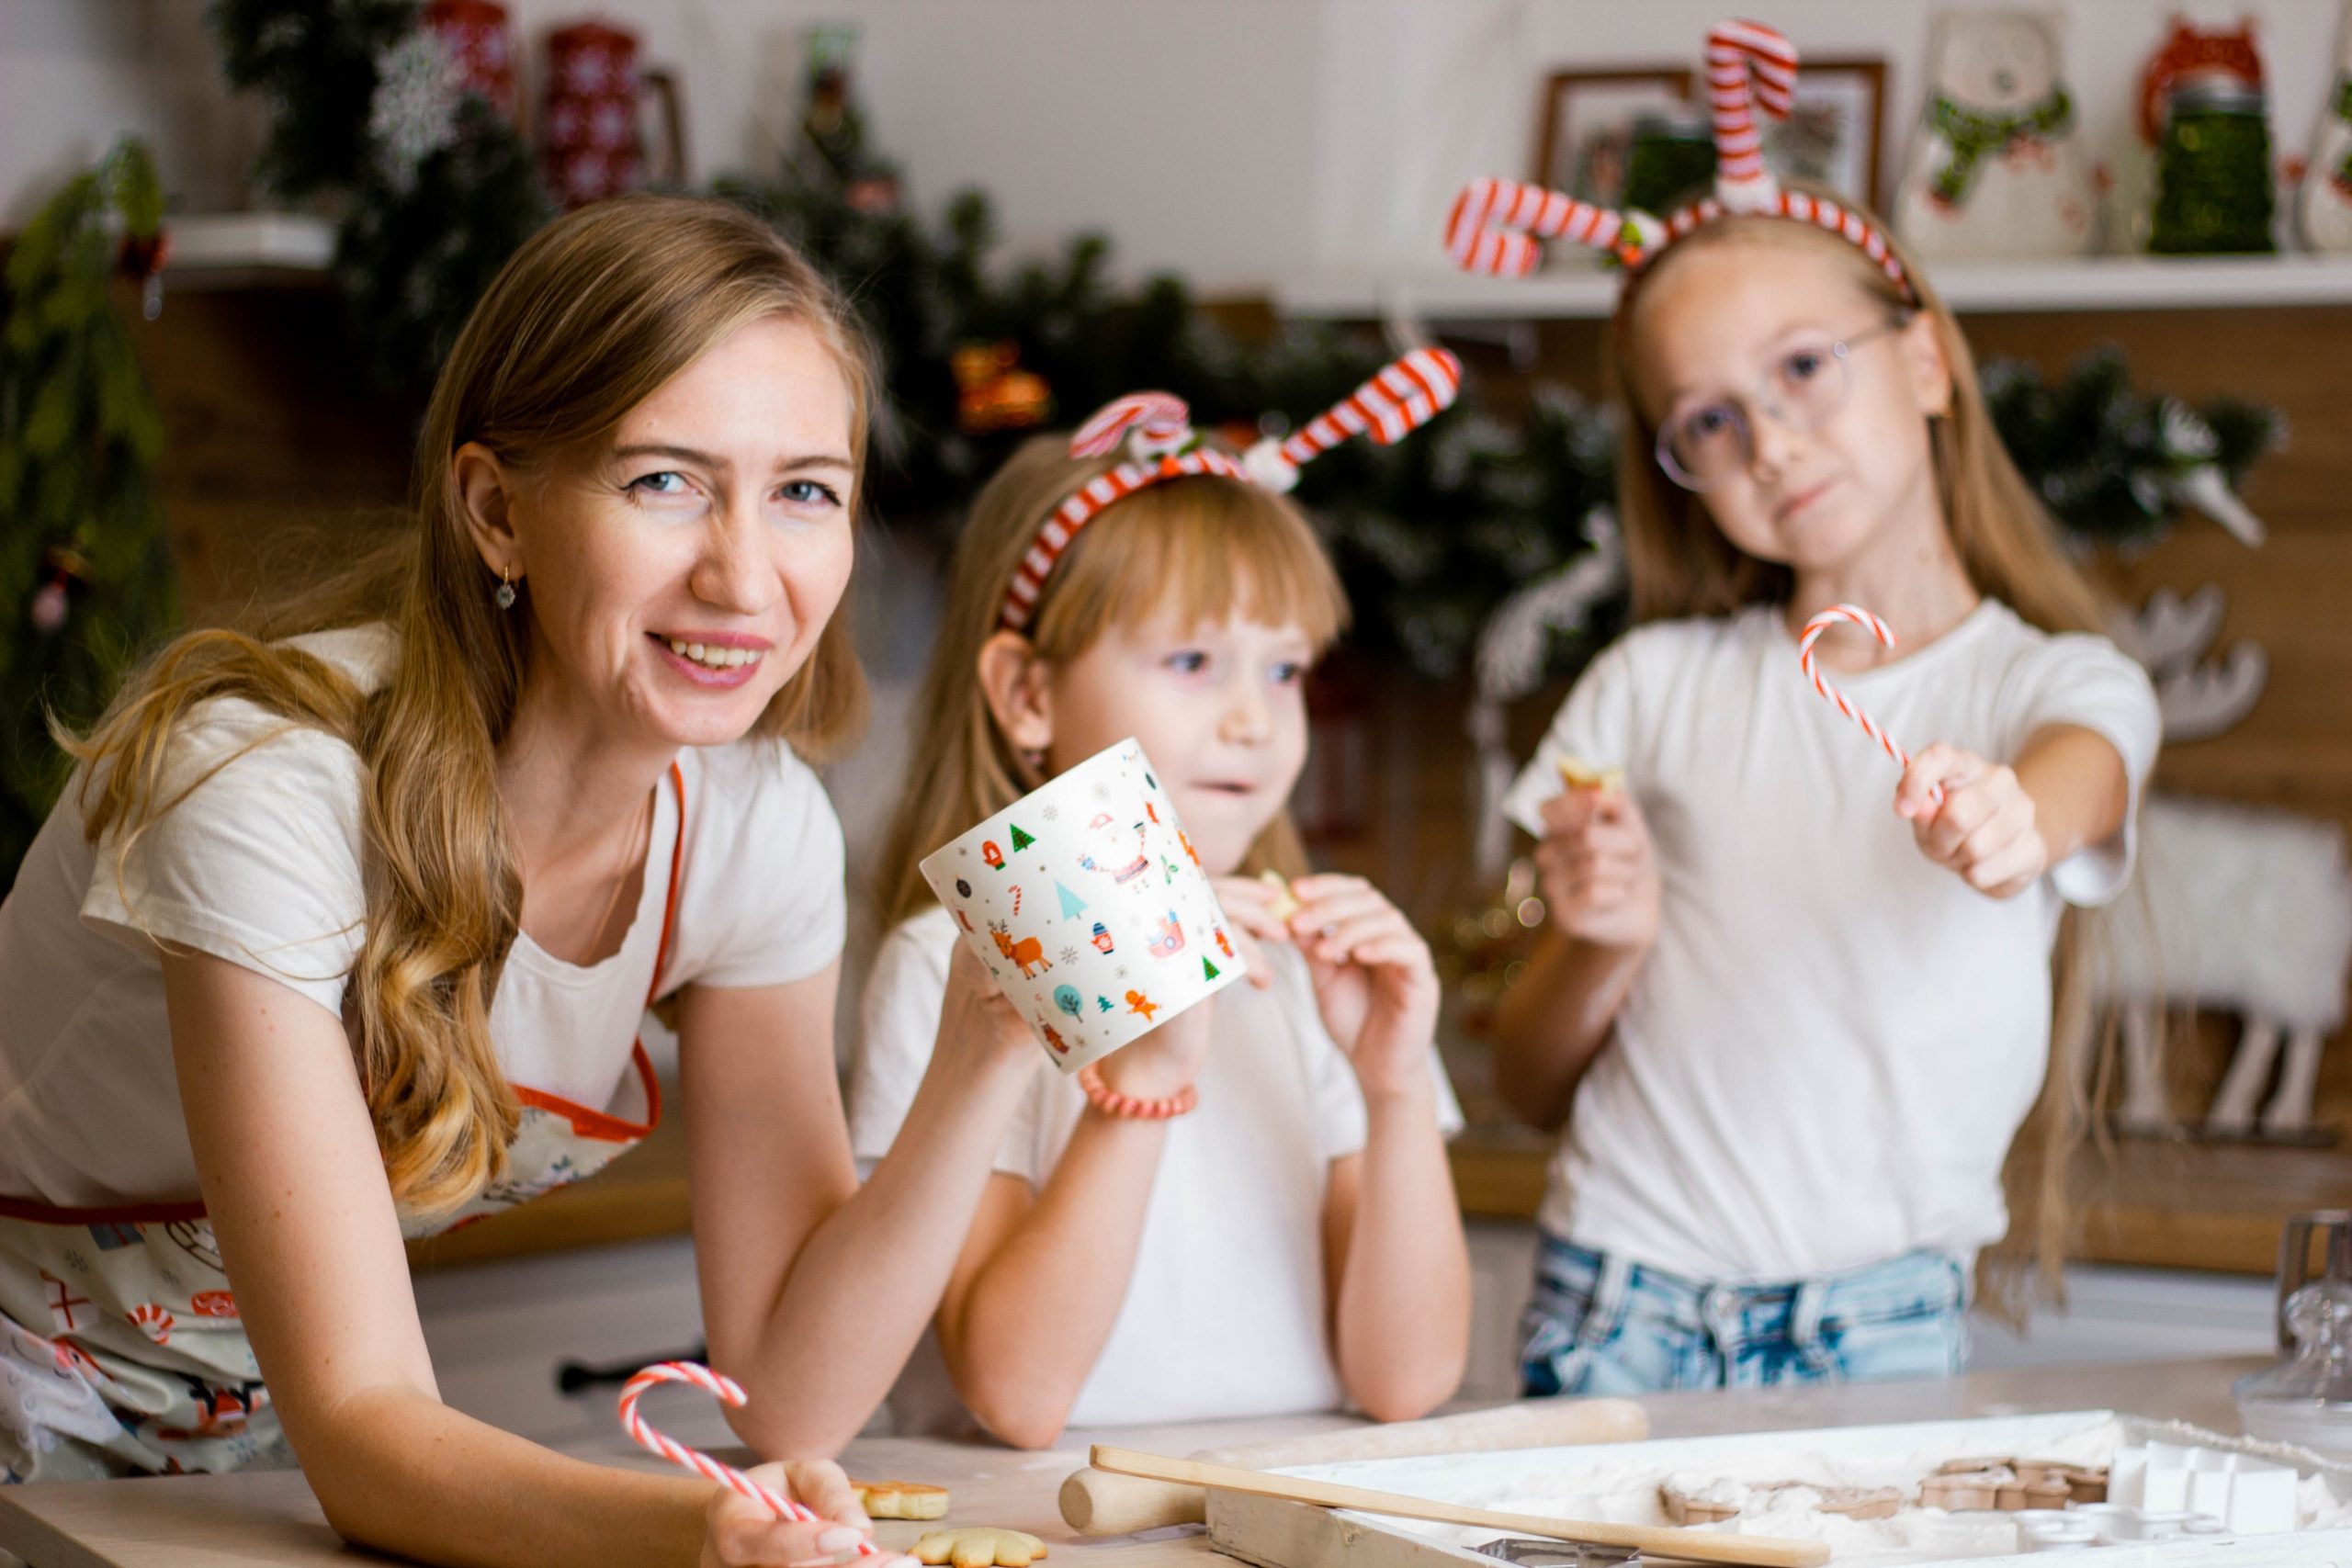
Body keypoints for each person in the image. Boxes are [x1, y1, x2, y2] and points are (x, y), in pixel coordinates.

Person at [0, 197, 1039, 1568]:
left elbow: (789, 1383)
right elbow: (367, 1418)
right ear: (497, 509)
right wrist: (701, 1526)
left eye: (805, 490)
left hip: (252, 1457)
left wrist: (984, 1059)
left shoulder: (752, 828)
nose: (745, 575)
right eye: (665, 480)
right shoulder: (267, 788)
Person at [1468, 22, 2163, 1394]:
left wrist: (2014, 815)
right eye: (1710, 421)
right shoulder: (1643, 692)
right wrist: (1602, 944)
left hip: (1886, 1315)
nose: (1770, 442)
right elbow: (1525, 1080)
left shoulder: (2053, 683)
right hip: (1620, 1291)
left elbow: (2081, 771)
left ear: (1923, 361)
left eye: (1802, 367)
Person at [849, 376, 1473, 1449]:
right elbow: (1019, 1395)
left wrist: (1395, 1086)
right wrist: (1143, 1073)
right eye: (1190, 662)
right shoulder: (957, 972)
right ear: (1028, 696)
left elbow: (1406, 1381)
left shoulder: (1305, 977)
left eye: (1282, 671)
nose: (1252, 720)